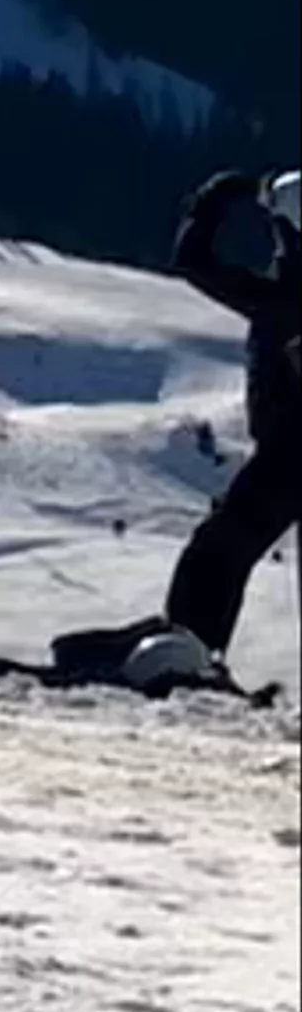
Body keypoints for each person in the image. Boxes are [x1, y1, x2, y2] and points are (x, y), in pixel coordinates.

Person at [165, 162, 302, 667]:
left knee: (217, 553)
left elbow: (194, 261)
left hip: (290, 454)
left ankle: (189, 654)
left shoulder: (285, 295)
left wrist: (212, 203)